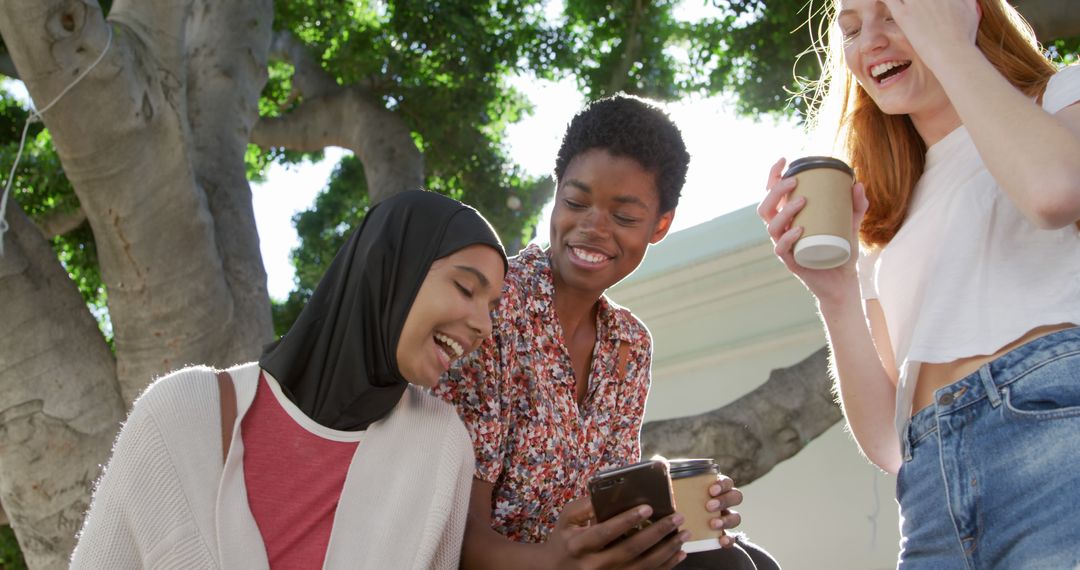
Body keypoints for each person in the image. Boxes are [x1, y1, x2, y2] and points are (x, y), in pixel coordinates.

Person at [758, 0, 1080, 566]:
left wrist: (953, 48)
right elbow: (887, 441)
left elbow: (1055, 194)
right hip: (931, 485)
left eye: (896, 16)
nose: (870, 42)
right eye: (852, 29)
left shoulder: (1057, 100)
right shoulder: (887, 216)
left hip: (1051, 435)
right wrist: (835, 294)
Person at [70, 191, 508, 569]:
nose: (484, 326)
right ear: (389, 268)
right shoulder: (179, 415)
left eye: (492, 306)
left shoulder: (440, 447)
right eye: (466, 289)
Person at [438, 95, 779, 570]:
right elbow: (450, 534)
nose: (593, 228)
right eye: (576, 202)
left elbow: (610, 511)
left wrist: (676, 518)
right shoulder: (493, 307)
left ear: (660, 226)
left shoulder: (629, 345)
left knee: (740, 560)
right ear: (556, 195)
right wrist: (556, 562)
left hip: (589, 565)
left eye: (624, 217)